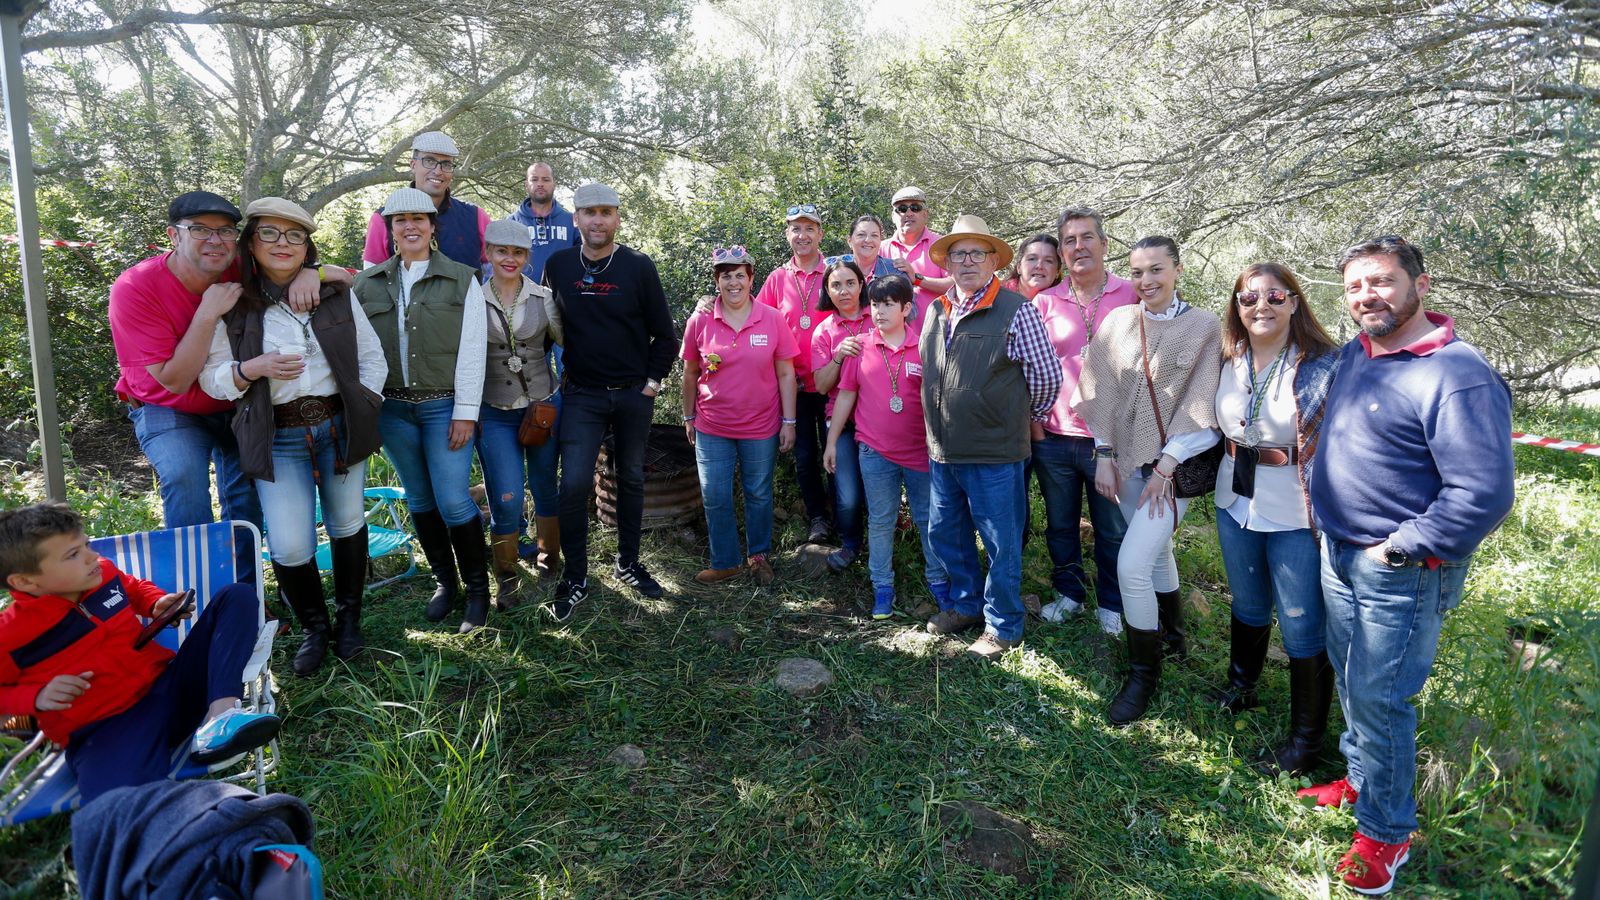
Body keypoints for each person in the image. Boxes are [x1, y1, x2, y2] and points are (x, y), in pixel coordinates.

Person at [1303, 236, 1513, 895]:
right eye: (1356, 285)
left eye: (1383, 281)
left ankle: (1387, 835)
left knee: (1382, 697)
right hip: (1339, 551)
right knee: (1352, 678)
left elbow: (1483, 493)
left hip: (1401, 568)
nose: (1368, 295)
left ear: (1421, 286)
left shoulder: (1457, 373)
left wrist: (1400, 545)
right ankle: (1364, 782)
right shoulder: (1358, 355)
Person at [199, 198, 387, 675]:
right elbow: (211, 378)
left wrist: (365, 403)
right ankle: (314, 627)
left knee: (346, 521)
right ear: (251, 243)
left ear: (308, 246)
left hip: (339, 426)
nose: (283, 244)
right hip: (278, 435)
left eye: (295, 236)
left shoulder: (334, 294)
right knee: (288, 545)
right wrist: (249, 369)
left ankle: (348, 620)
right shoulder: (234, 305)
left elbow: (372, 357)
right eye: (270, 234)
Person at [108, 191, 346, 564]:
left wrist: (308, 273)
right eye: (200, 230)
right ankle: (199, 591)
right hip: (170, 406)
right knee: (185, 479)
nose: (215, 241)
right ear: (174, 235)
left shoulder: (239, 267)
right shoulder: (136, 287)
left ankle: (246, 593)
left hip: (237, 398)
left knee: (246, 489)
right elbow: (175, 381)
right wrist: (206, 313)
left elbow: (341, 274)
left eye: (225, 231)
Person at [0, 503, 281, 804]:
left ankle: (222, 717)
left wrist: (155, 603)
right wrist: (36, 696)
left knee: (235, 597)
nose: (92, 557)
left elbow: (131, 588)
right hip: (107, 728)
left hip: (170, 688)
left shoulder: (102, 573)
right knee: (118, 804)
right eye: (73, 555)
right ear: (25, 581)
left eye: (86, 546)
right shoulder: (11, 635)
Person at [1074, 235, 1222, 725]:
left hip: (1173, 473)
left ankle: (1143, 676)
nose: (1146, 281)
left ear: (1177, 269)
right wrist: (1104, 454)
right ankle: (1174, 638)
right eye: (1137, 272)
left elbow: (1205, 407)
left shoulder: (1204, 327)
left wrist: (1166, 464)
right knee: (1156, 553)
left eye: (1156, 270)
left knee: (1132, 565)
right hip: (1126, 465)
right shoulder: (1119, 322)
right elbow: (1098, 392)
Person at [1207, 262, 1340, 777]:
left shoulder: (1322, 364)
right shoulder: (1229, 358)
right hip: (1234, 497)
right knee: (1247, 601)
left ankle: (1306, 741)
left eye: (1273, 297)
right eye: (1247, 298)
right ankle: (1242, 686)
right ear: (1236, 309)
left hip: (1294, 508)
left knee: (1302, 623)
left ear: (1294, 302)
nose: (1260, 306)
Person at [919, 216, 1061, 660]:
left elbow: (1047, 379)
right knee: (946, 532)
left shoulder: (1017, 310)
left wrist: (1019, 416)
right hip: (943, 452)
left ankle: (1004, 626)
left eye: (976, 253)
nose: (966, 262)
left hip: (996, 454)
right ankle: (965, 606)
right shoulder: (936, 309)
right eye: (957, 253)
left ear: (994, 261)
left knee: (1000, 543)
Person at [355, 187, 491, 633]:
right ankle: (444, 584)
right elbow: (359, 351)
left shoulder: (461, 278)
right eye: (400, 221)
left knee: (453, 500)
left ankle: (477, 592)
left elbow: (473, 349)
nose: (410, 227)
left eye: (419, 219)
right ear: (390, 229)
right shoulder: (367, 283)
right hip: (393, 410)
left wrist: (466, 411)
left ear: (433, 227)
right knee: (419, 498)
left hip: (444, 407)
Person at [542, 183, 678, 621]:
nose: (597, 220)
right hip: (581, 395)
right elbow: (547, 328)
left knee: (632, 478)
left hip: (633, 394)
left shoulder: (638, 266)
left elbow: (665, 334)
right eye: (588, 212)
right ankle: (576, 577)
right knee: (575, 483)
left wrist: (652, 383)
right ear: (575, 218)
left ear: (617, 218)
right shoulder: (559, 266)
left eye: (606, 212)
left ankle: (628, 563)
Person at [1033, 208, 1137, 635]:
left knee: (1112, 528)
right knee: (1060, 523)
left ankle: (1111, 604)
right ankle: (1070, 593)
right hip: (1055, 436)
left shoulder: (1130, 294)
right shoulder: (1045, 301)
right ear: (1062, 252)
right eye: (1070, 240)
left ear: (1105, 243)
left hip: (1108, 440)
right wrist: (1036, 426)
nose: (1079, 246)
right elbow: (1029, 368)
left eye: (1087, 237)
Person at [824, 275, 947, 619]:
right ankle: (882, 587)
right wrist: (832, 441)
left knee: (927, 519)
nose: (879, 311)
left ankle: (938, 581)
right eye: (875, 304)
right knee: (880, 520)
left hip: (920, 453)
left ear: (907, 308)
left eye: (888, 304)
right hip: (874, 451)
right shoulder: (860, 346)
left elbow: (937, 401)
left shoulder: (924, 347)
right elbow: (846, 394)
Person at [680, 246, 798, 585]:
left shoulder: (771, 318)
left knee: (759, 493)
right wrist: (688, 418)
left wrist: (789, 422)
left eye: (739, 275)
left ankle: (758, 556)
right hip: (712, 425)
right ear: (717, 281)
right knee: (715, 494)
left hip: (761, 426)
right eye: (726, 276)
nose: (733, 282)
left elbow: (787, 374)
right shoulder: (700, 319)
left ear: (750, 279)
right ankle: (726, 561)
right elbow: (689, 373)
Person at [475, 219, 564, 608]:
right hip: (493, 411)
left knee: (545, 486)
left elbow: (571, 345)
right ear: (489, 254)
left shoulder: (544, 298)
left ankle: (549, 561)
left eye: (517, 252)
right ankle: (507, 577)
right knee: (507, 496)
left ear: (527, 257)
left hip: (543, 407)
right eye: (501, 251)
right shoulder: (472, 300)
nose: (509, 259)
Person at [754, 203, 833, 545]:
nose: (802, 236)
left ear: (820, 234)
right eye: (795, 229)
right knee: (804, 459)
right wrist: (709, 306)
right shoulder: (777, 278)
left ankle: (844, 519)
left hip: (834, 384)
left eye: (809, 228)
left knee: (839, 457)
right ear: (788, 235)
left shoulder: (835, 271)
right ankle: (818, 519)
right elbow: (754, 314)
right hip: (795, 387)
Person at [809, 258, 872, 572]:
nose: (844, 290)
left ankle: (882, 545)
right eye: (836, 285)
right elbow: (820, 386)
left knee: (878, 492)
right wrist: (837, 356)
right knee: (847, 495)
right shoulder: (824, 330)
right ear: (827, 291)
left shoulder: (880, 316)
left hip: (880, 419)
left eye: (850, 283)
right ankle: (850, 544)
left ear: (861, 285)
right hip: (841, 423)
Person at [361, 131, 490, 272]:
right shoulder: (383, 219)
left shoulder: (476, 217)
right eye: (429, 161)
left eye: (446, 164)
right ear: (413, 164)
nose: (438, 171)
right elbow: (370, 282)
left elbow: (498, 271)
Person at [883, 187, 954, 317]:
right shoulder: (881, 249)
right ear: (893, 216)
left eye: (915, 208)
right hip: (892, 335)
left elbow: (956, 284)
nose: (909, 213)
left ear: (925, 214)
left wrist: (917, 279)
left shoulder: (942, 245)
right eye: (902, 209)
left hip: (937, 333)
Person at [510, 161, 582, 283]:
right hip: (522, 296)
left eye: (546, 180)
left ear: (554, 184)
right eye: (534, 179)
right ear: (526, 184)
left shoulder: (572, 222)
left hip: (562, 296)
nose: (540, 184)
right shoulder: (512, 223)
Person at [841, 215, 901, 285]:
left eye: (874, 235)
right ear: (850, 241)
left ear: (880, 240)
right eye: (861, 235)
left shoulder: (895, 271)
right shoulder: (836, 270)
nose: (868, 240)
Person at [1002, 234, 1062, 299]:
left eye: (1048, 261)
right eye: (1032, 259)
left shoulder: (1067, 303)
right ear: (1019, 267)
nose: (1039, 266)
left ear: (1057, 272)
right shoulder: (997, 296)